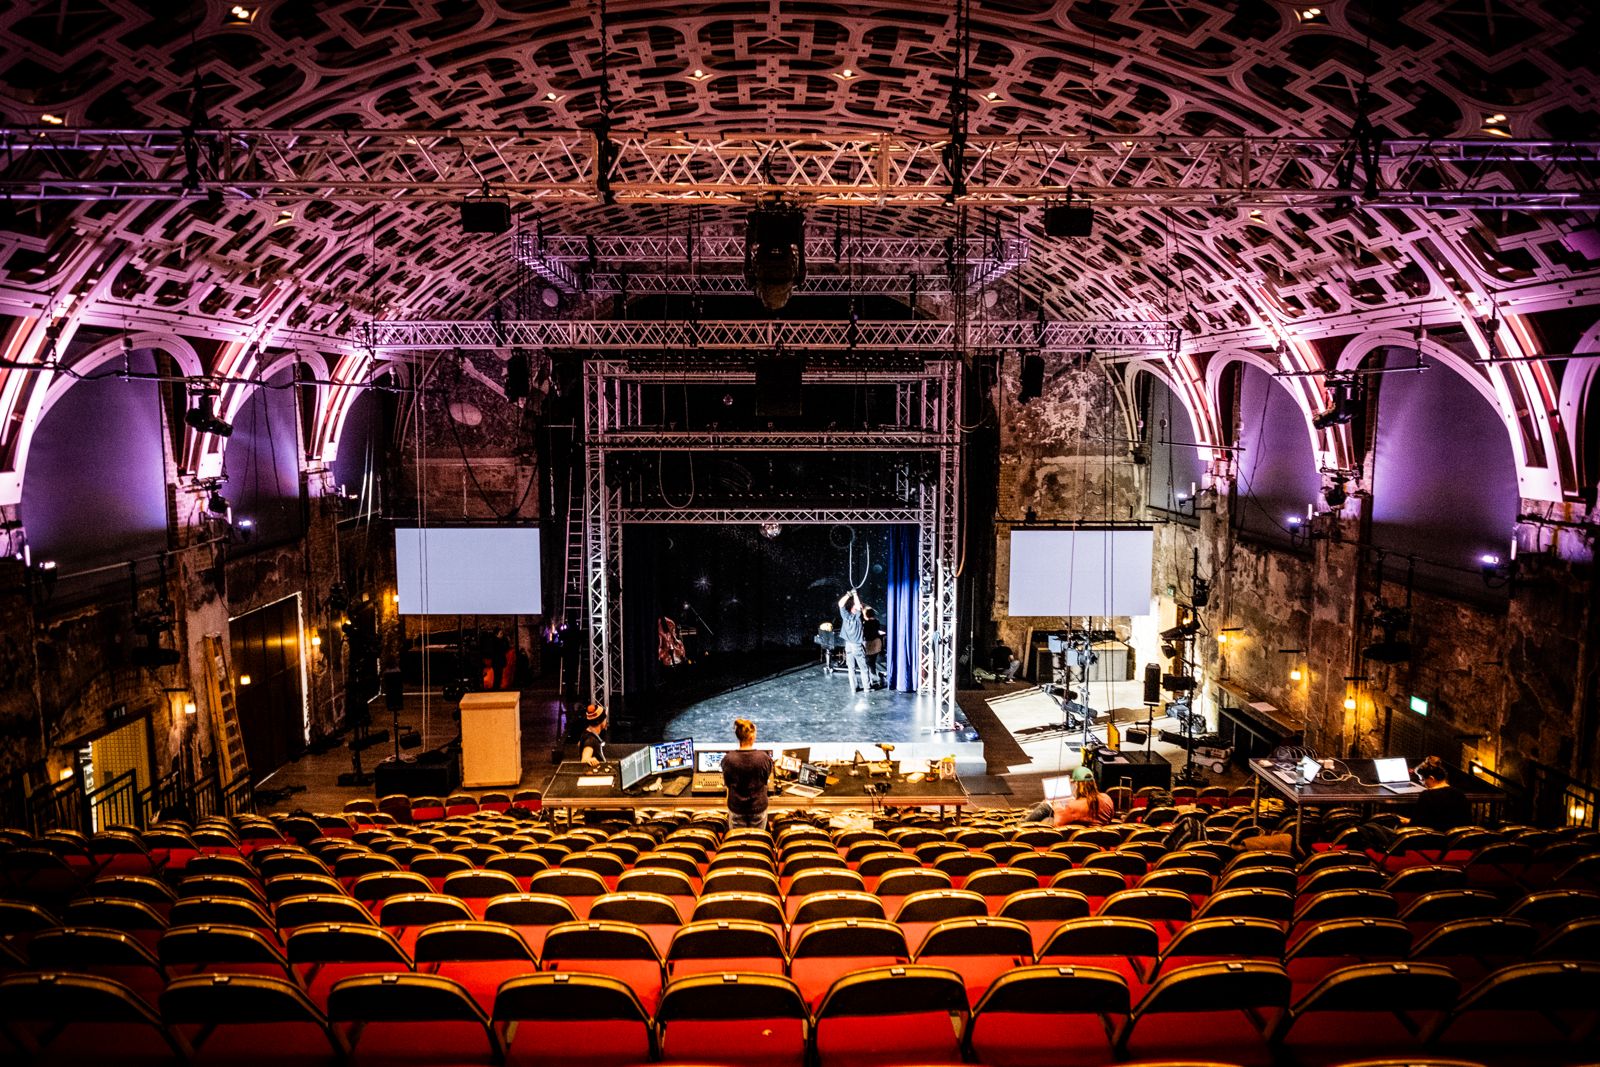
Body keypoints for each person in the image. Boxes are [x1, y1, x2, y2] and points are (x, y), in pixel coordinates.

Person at [721, 717, 774, 830]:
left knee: (737, 841)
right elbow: (765, 780)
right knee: (757, 842)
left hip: (736, 808)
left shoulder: (728, 759)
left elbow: (728, 783)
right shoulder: (764, 758)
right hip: (758, 808)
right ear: (752, 737)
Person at [1409, 755, 1472, 831]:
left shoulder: (1427, 795)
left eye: (1422, 779)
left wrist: (1406, 821)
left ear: (1432, 778)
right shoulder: (1459, 794)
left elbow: (1417, 825)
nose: (1422, 783)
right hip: (1454, 839)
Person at [837, 589, 870, 693]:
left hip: (848, 646)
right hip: (856, 646)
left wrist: (848, 595)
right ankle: (867, 688)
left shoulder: (845, 616)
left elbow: (840, 603)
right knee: (863, 668)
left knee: (851, 668)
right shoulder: (858, 618)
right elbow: (858, 605)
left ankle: (854, 688)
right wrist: (854, 594)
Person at [861, 606, 885, 689]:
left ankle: (875, 679)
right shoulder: (876, 621)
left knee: (869, 663)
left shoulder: (866, 623)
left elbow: (866, 634)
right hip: (877, 643)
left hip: (870, 644)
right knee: (873, 662)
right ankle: (876, 678)